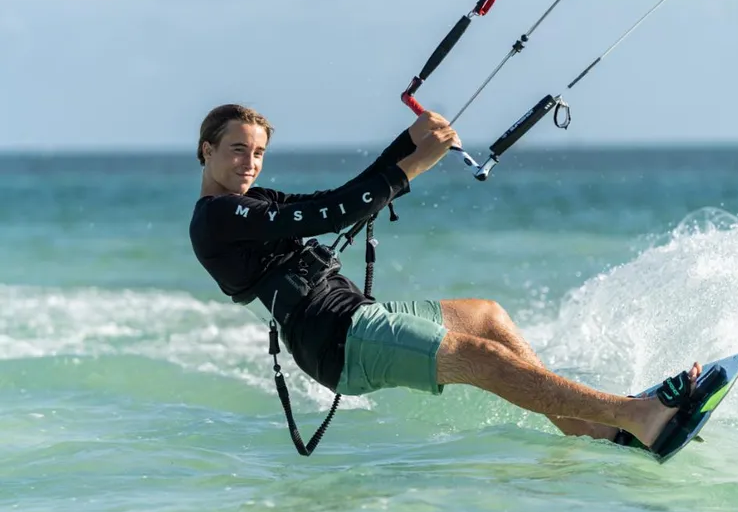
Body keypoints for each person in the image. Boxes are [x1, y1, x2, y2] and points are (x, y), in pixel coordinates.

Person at [189, 103, 705, 455]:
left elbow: (342, 195)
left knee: (486, 317)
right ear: (206, 150)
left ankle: (583, 428)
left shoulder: (255, 202)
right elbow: (328, 215)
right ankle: (637, 415)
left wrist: (407, 142)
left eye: (257, 152)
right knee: (481, 359)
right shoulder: (215, 217)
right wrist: (414, 165)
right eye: (237, 149)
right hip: (336, 341)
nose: (249, 163)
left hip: (355, 315)